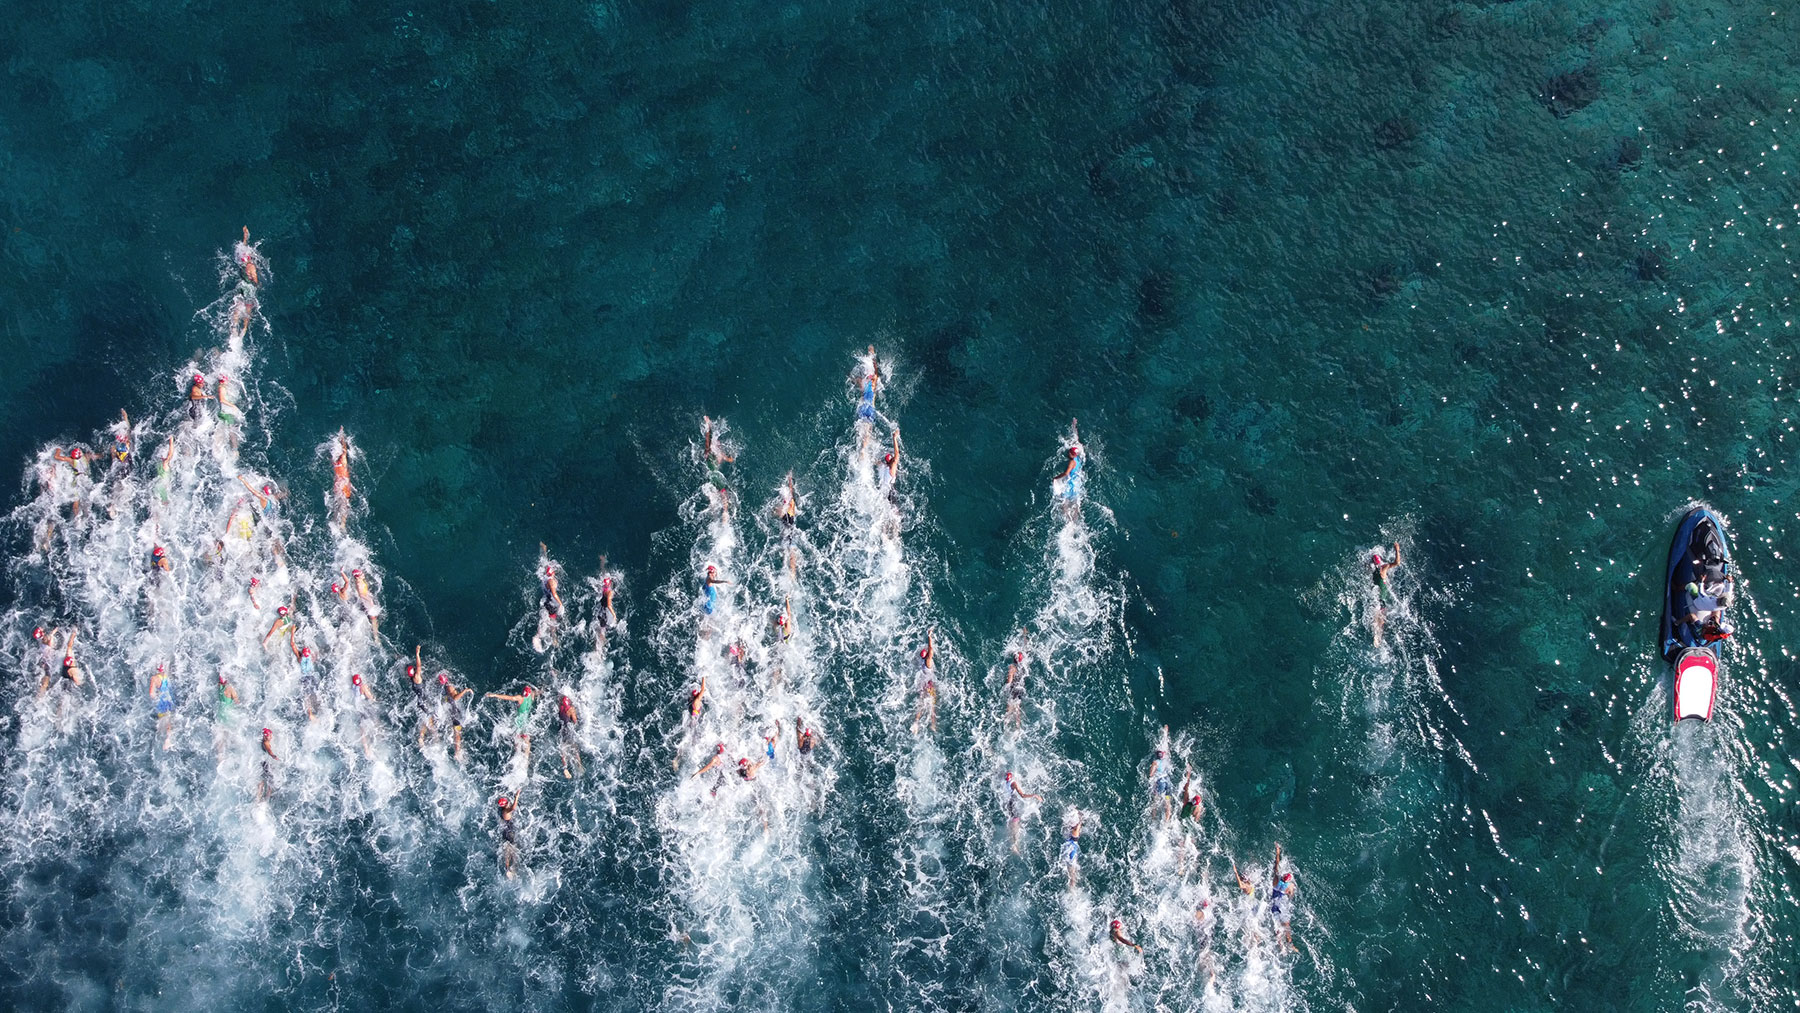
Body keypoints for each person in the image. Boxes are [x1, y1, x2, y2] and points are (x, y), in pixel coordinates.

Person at [1002, 771, 1043, 855]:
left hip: (1008, 804)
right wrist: (1035, 795)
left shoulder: (1006, 783)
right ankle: (1014, 845)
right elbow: (1023, 795)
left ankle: (1013, 842)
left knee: (1013, 823)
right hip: (1012, 804)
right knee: (1016, 824)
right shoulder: (1013, 783)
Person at [910, 630, 938, 735]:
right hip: (929, 684)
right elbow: (931, 650)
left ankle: (916, 723)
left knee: (921, 703)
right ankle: (933, 725)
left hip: (921, 683)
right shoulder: (928, 663)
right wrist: (930, 636)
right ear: (926, 657)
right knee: (932, 705)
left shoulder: (920, 661)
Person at [440, 672, 473, 760]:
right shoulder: (449, 687)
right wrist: (465, 690)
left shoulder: (443, 689)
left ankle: (457, 751)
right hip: (455, 713)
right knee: (457, 732)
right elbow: (455, 698)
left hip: (452, 712)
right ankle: (457, 752)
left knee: (456, 731)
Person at [290, 635, 321, 721]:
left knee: (306, 695)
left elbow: (292, 645)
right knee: (314, 693)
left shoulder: (300, 659)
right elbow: (317, 653)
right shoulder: (312, 658)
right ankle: (314, 712)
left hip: (304, 678)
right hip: (312, 677)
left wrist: (292, 634)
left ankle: (310, 713)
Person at [350, 673, 378, 758]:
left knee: (362, 727)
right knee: (375, 722)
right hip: (365, 707)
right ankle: (376, 740)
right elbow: (371, 697)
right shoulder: (363, 686)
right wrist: (374, 699)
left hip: (359, 708)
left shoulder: (353, 687)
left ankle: (366, 748)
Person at [149, 663, 176, 750]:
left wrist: (155, 697)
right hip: (171, 700)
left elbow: (151, 694)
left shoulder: (154, 678)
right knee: (170, 718)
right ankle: (169, 738)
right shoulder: (168, 676)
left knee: (164, 720)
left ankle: (167, 740)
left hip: (162, 701)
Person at [1056, 421, 1084, 503]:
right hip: (1077, 484)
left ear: (1072, 455)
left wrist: (1056, 478)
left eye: (1070, 453)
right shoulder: (1078, 458)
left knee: (1064, 503)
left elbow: (1066, 473)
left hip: (1070, 484)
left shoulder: (1071, 462)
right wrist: (1074, 426)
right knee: (1075, 504)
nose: (1069, 453)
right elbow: (1076, 439)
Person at [330, 429, 353, 526]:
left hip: (339, 488)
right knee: (341, 506)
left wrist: (342, 438)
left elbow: (344, 451)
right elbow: (344, 452)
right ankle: (340, 525)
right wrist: (342, 438)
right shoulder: (339, 461)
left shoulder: (337, 462)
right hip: (341, 488)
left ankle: (340, 524)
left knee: (340, 506)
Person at [557, 692, 582, 779]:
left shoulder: (560, 707)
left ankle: (565, 768)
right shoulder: (571, 709)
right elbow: (575, 721)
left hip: (561, 729)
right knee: (574, 748)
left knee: (563, 748)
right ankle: (579, 766)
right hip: (568, 730)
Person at [1003, 643, 1027, 730]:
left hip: (1014, 689)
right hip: (1020, 689)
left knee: (1009, 708)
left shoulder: (1012, 667)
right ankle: (1018, 728)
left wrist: (1006, 687)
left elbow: (1009, 679)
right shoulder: (1023, 668)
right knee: (1017, 710)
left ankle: (1005, 726)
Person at [496, 795, 521, 879]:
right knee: (513, 850)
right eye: (507, 803)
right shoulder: (506, 811)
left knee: (507, 849)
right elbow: (513, 807)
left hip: (505, 831)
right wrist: (516, 797)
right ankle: (512, 868)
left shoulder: (503, 811)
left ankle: (507, 868)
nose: (508, 803)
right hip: (509, 833)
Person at [1150, 743, 1176, 822]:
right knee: (1167, 801)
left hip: (1160, 783)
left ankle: (1153, 818)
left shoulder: (1155, 762)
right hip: (1168, 783)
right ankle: (1167, 821)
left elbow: (1151, 774)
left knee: (1155, 800)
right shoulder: (1166, 760)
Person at [352, 568, 380, 636]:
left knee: (374, 616)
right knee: (373, 618)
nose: (363, 574)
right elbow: (361, 595)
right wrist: (369, 600)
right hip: (366, 601)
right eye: (361, 574)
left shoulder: (360, 580)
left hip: (367, 598)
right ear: (358, 577)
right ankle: (376, 636)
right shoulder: (359, 584)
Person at [856, 347, 879, 423]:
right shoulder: (871, 384)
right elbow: (875, 373)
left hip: (865, 408)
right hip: (868, 409)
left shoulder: (866, 384)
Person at [1062, 816, 1084, 889]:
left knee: (1072, 873)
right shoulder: (1075, 832)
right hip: (1071, 851)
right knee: (1072, 874)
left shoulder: (1072, 832)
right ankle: (1072, 889)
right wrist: (1080, 819)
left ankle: (1072, 888)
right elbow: (1078, 826)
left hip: (1068, 850)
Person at [258, 727, 279, 801]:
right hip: (266, 764)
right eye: (270, 735)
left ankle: (258, 797)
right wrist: (273, 756)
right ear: (267, 736)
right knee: (271, 781)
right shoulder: (266, 743)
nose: (271, 737)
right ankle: (266, 799)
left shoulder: (263, 742)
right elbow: (269, 751)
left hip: (263, 762)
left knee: (263, 780)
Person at [110, 411, 132, 476]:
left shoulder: (114, 448)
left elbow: (113, 460)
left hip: (121, 463)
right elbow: (128, 430)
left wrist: (125, 417)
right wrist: (125, 417)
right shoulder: (127, 444)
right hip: (126, 462)